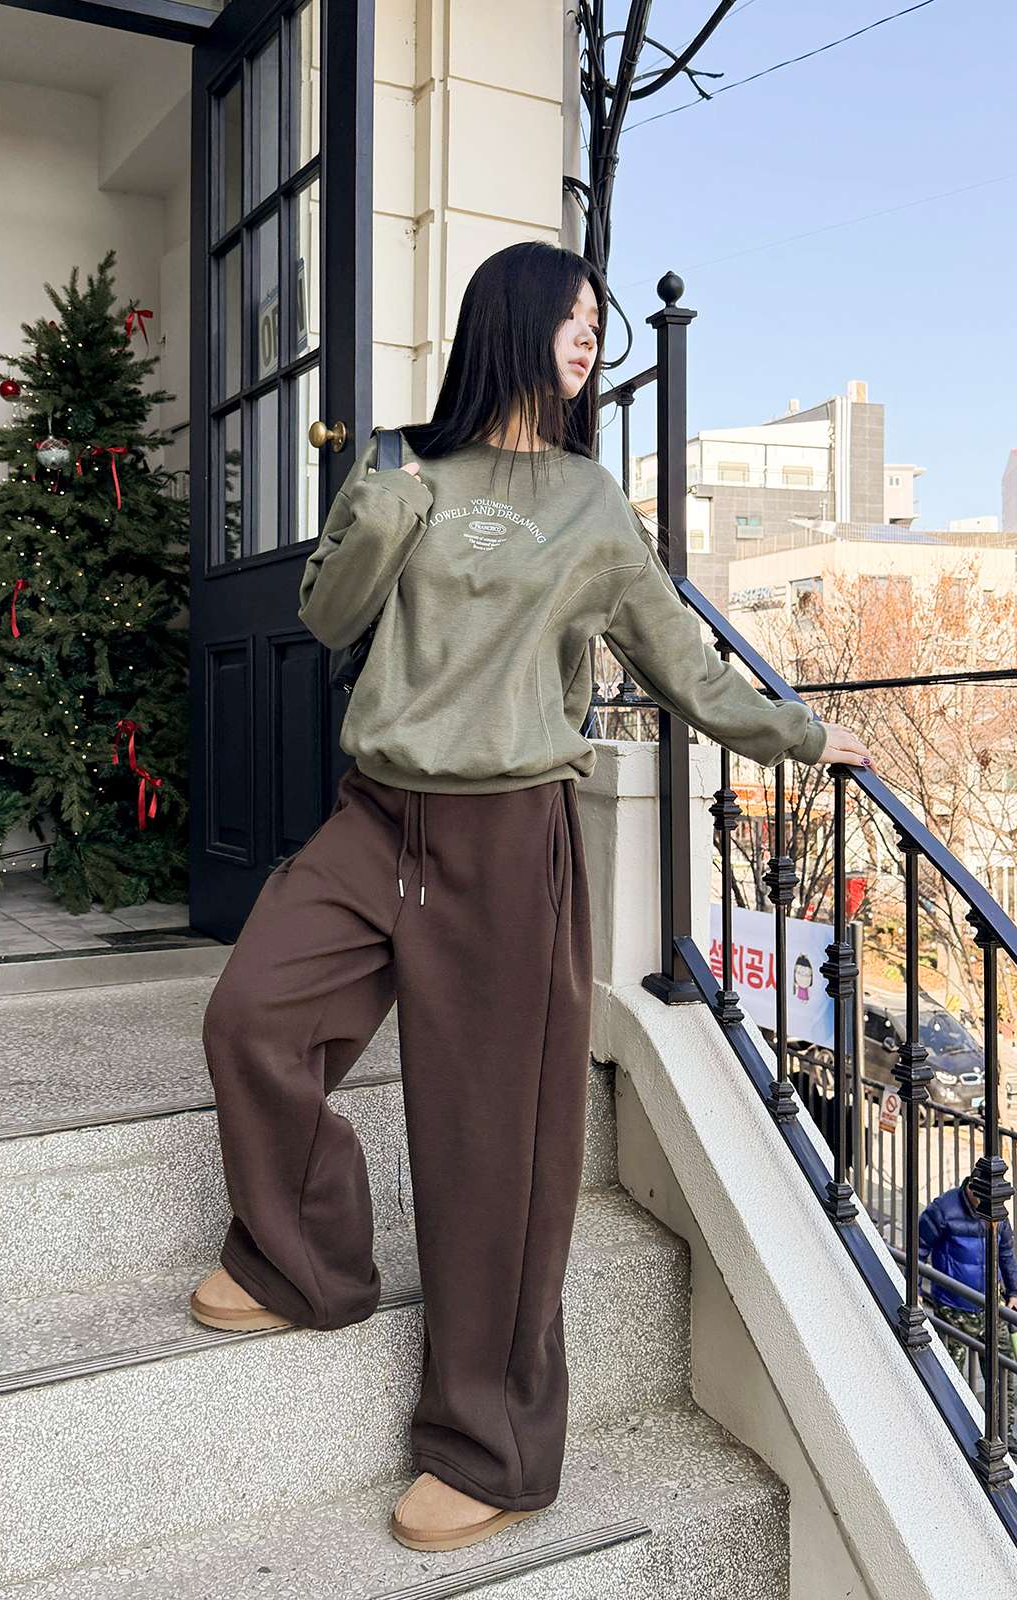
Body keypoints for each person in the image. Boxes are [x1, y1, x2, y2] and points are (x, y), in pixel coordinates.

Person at [192, 240, 872, 1554]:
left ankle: (490, 1447)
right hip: (377, 815)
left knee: (494, 1153)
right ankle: (304, 1259)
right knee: (254, 1014)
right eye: (571, 315)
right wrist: (384, 505)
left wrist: (798, 733)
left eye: (597, 324)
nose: (588, 337)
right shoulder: (408, 468)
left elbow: (678, 662)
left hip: (507, 842)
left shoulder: (589, 504)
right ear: (508, 320)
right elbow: (329, 617)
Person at [918, 1177, 1017, 1443]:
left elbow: (1006, 1253)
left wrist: (1014, 1291)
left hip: (991, 1308)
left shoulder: (997, 1210)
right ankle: (952, 1431)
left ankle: (1003, 1432)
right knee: (950, 1374)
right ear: (972, 1187)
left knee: (1004, 1373)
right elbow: (919, 1249)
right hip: (954, 1308)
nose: (989, 1204)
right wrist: (915, 1289)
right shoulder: (943, 1210)